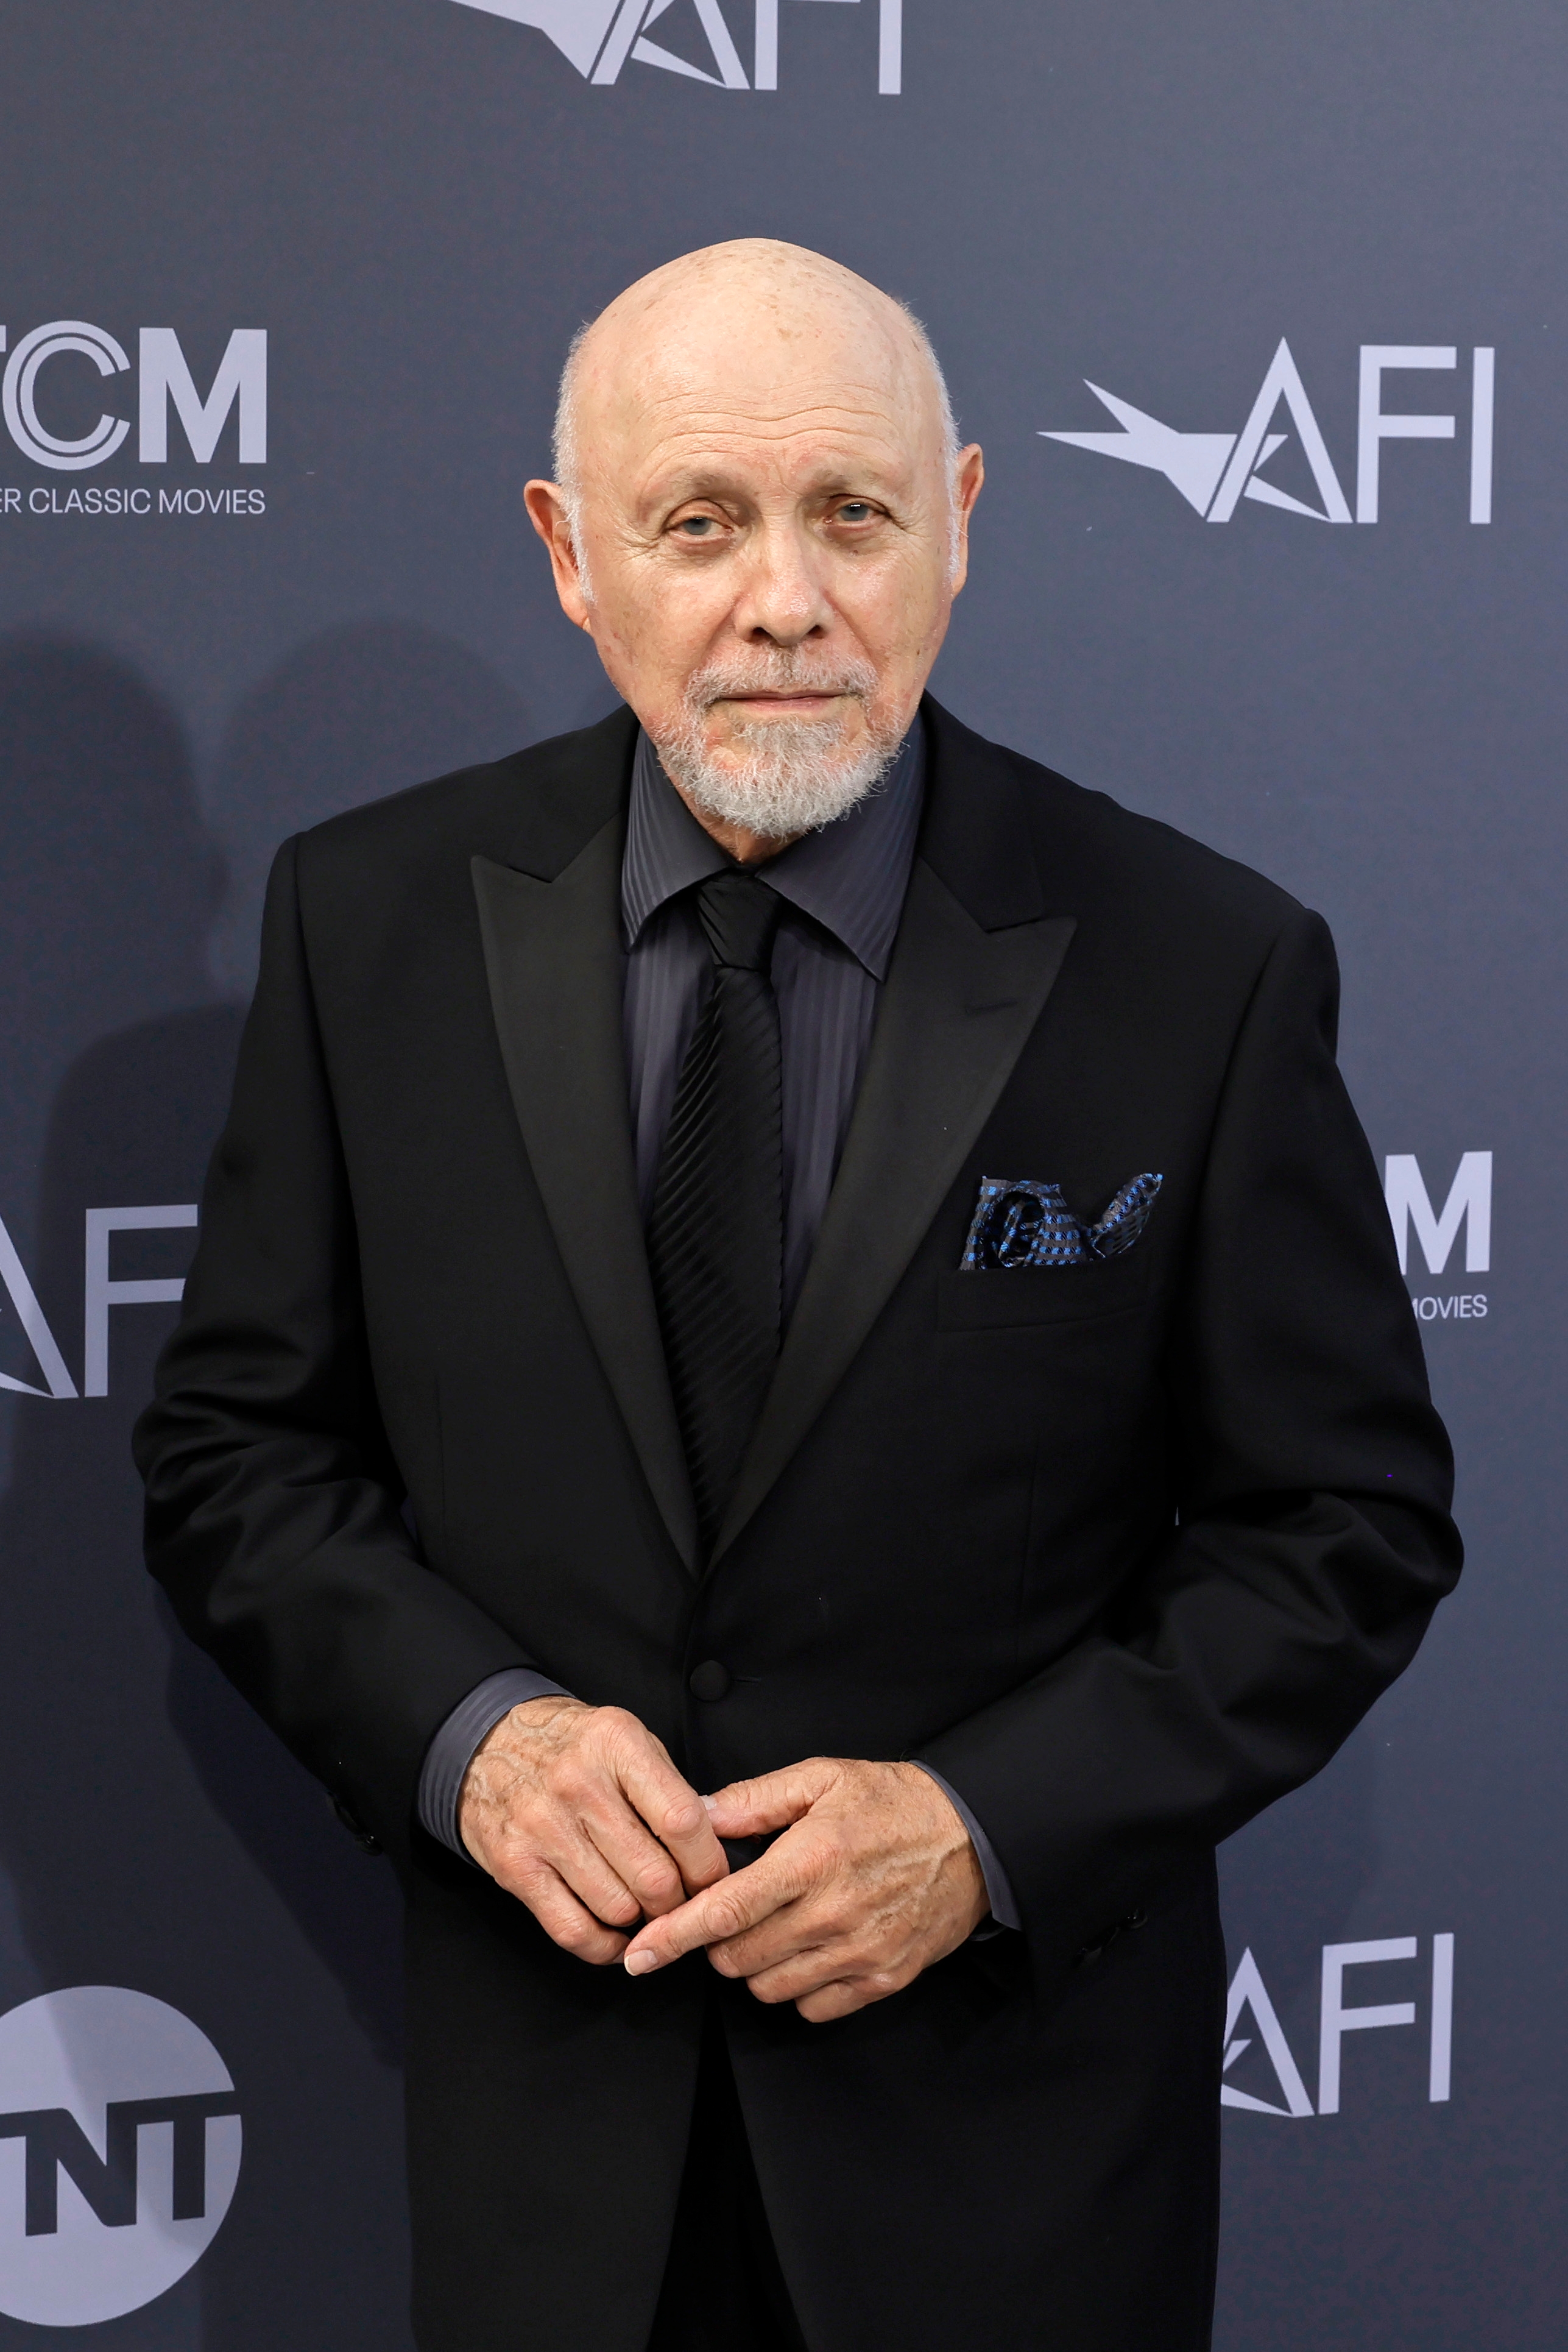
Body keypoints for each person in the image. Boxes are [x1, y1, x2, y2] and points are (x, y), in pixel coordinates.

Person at [134, 239, 1460, 2352]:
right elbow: (238, 1456)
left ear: (960, 529)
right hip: (545, 2166)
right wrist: (475, 1742)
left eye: (854, 512)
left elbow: (1345, 1526)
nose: (785, 600)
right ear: (575, 558)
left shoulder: (1200, 966)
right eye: (701, 523)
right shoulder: (368, 923)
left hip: (1009, 2179)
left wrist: (979, 1825)